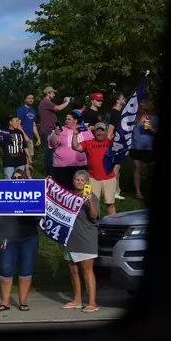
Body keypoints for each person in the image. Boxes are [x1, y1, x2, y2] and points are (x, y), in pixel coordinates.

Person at [0, 169, 40, 312]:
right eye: (14, 177)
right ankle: (5, 302)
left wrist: (38, 208)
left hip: (28, 237)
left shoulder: (33, 195)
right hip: (8, 237)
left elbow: (38, 219)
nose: (17, 179)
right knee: (5, 268)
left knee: (26, 268)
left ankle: (23, 301)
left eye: (20, 177)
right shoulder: (5, 193)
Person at [62, 170, 100, 313]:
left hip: (86, 237)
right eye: (76, 180)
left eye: (81, 180)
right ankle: (77, 300)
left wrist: (89, 200)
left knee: (87, 270)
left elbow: (94, 216)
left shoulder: (91, 197)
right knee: (73, 270)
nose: (78, 182)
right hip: (71, 238)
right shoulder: (68, 196)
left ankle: (92, 302)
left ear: (87, 182)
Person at [71, 122, 117, 215]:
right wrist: (75, 134)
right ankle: (92, 222)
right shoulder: (88, 143)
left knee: (110, 203)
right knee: (89, 201)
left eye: (102, 130)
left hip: (109, 178)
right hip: (91, 178)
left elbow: (122, 151)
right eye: (97, 130)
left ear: (106, 131)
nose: (99, 133)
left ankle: (113, 224)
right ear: (94, 132)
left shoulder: (111, 143)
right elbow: (75, 147)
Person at [48, 112, 94, 190]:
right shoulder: (61, 130)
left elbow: (93, 145)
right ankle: (63, 202)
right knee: (63, 190)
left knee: (85, 189)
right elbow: (52, 144)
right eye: (66, 119)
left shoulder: (85, 130)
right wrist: (55, 133)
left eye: (69, 119)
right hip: (62, 166)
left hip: (82, 165)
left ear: (75, 120)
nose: (66, 120)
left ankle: (87, 201)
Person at [38, 87, 72, 175]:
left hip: (51, 129)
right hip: (48, 129)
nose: (54, 94)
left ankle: (49, 168)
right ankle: (48, 170)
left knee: (52, 150)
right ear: (48, 93)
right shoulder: (45, 102)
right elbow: (58, 108)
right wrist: (67, 102)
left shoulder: (48, 103)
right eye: (53, 93)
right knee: (50, 150)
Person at [130, 103, 158, 199]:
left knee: (149, 169)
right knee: (136, 169)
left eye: (143, 108)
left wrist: (151, 129)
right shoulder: (134, 118)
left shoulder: (153, 118)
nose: (141, 109)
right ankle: (138, 191)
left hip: (148, 148)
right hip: (135, 147)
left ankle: (148, 189)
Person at [0, 115, 31, 179]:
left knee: (20, 179)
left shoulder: (20, 132)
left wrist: (29, 157)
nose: (18, 123)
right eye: (16, 121)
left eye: (18, 121)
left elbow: (24, 145)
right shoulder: (4, 132)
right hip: (9, 161)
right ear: (10, 122)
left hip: (21, 161)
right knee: (9, 179)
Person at [106, 92, 127, 200]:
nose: (125, 99)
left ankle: (117, 190)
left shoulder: (120, 112)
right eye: (123, 98)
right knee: (115, 167)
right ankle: (112, 191)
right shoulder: (114, 113)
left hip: (120, 143)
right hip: (115, 144)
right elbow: (110, 131)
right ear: (117, 101)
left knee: (117, 167)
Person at [16, 94, 42, 161]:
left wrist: (38, 138)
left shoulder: (33, 111)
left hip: (30, 137)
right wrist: (25, 136)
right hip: (21, 136)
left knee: (30, 156)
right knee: (23, 157)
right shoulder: (21, 109)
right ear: (25, 100)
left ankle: (26, 170)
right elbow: (18, 124)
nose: (31, 100)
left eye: (32, 98)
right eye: (28, 98)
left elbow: (33, 125)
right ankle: (21, 171)